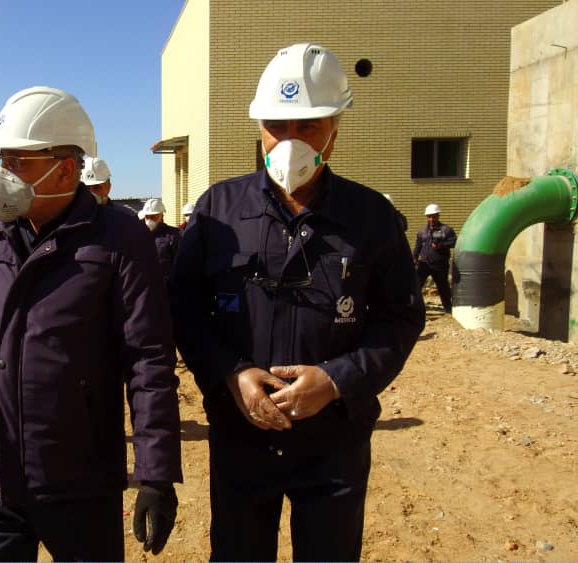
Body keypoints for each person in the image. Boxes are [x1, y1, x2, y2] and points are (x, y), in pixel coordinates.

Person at [170, 43, 425, 561]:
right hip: (242, 435)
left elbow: (400, 318)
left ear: (335, 129)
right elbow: (185, 310)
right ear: (259, 129)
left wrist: (335, 381)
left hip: (334, 442)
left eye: (307, 126)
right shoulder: (219, 209)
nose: (289, 141)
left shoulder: (370, 217)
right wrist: (232, 374)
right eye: (276, 126)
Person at [0, 86, 182, 561]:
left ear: (65, 167)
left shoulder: (119, 240)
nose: (4, 174)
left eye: (18, 161)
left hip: (80, 485)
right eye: (2, 160)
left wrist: (156, 473)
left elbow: (147, 360)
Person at [413, 203, 456, 313]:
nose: (431, 219)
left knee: (443, 287)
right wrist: (415, 257)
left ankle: (448, 308)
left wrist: (440, 246)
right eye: (429, 216)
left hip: (439, 265)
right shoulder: (422, 231)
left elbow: (453, 242)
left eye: (434, 216)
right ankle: (413, 307)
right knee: (416, 285)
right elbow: (418, 245)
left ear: (438, 216)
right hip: (424, 264)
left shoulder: (445, 230)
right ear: (426, 217)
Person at [138, 198, 181, 282]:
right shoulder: (138, 233)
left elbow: (179, 263)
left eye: (154, 217)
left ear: (161, 216)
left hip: (165, 284)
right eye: (147, 217)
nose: (150, 220)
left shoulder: (172, 235)